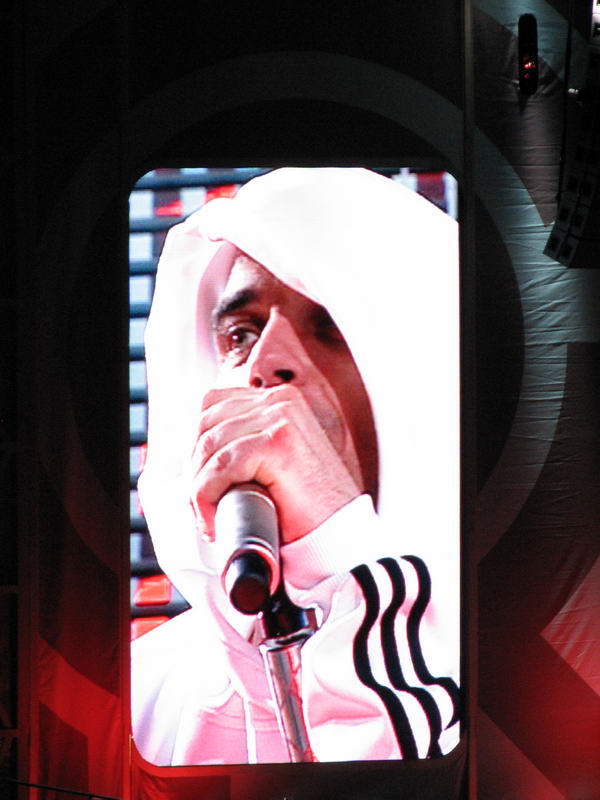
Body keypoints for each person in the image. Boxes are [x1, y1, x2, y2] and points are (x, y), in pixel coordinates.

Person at [131, 167, 461, 766]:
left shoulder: (535, 676)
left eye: (331, 326)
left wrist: (341, 556)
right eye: (240, 333)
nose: (266, 363)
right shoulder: (139, 694)